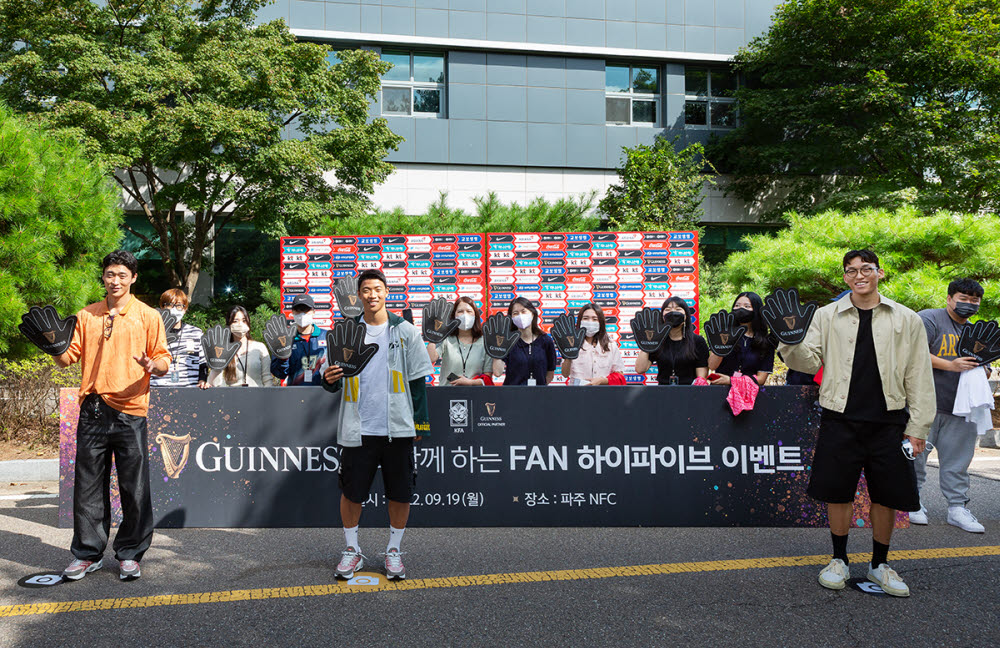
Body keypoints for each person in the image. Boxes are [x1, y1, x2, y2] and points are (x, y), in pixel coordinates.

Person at [778, 249, 935, 597]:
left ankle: (880, 564)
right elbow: (807, 362)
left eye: (866, 269)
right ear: (845, 277)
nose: (859, 275)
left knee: (887, 495)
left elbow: (919, 375)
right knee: (838, 492)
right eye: (851, 271)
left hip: (890, 421)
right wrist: (789, 341)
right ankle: (838, 560)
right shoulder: (826, 315)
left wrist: (919, 427)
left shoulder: (906, 319)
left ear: (880, 272)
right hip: (840, 417)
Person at [54, 250, 171, 582]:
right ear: (102, 277)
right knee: (88, 486)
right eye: (109, 274)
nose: (115, 280)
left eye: (122, 275)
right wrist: (52, 346)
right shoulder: (87, 315)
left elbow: (164, 358)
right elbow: (68, 358)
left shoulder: (148, 316)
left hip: (131, 410)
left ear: (133, 278)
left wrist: (153, 365)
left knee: (134, 488)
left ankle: (130, 554)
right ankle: (87, 554)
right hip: (92, 408)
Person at [322, 269, 433, 580]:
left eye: (377, 289)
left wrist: (419, 425)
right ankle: (352, 550)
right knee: (352, 492)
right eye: (366, 290)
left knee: (400, 493)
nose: (372, 295)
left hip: (397, 427)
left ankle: (394, 551)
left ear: (387, 293)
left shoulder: (406, 331)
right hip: (359, 428)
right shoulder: (347, 331)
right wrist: (328, 379)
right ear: (358, 295)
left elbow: (418, 382)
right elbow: (331, 381)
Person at [912, 278, 989, 532]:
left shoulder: (976, 331)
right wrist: (951, 364)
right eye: (963, 299)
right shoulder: (929, 319)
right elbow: (913, 353)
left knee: (958, 463)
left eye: (974, 301)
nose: (968, 304)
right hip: (926, 403)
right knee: (915, 458)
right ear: (949, 298)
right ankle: (912, 502)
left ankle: (957, 508)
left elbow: (984, 364)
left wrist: (982, 370)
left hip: (961, 407)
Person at [634, 298, 709, 385]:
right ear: (663, 316)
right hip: (663, 392)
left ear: (685, 316)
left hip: (690, 393)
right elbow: (640, 369)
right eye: (668, 309)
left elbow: (701, 378)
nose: (673, 312)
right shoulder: (658, 341)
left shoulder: (697, 341)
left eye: (678, 309)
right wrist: (646, 343)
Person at [708, 292, 774, 386]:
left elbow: (761, 379)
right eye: (737, 305)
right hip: (720, 391)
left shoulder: (766, 342)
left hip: (749, 394)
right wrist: (723, 343)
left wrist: (731, 381)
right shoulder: (723, 333)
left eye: (747, 306)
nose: (740, 309)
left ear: (756, 310)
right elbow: (712, 365)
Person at [426, 296, 493, 385]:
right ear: (454, 316)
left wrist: (470, 382)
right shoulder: (446, 338)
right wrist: (432, 338)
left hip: (474, 395)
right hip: (447, 394)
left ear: (475, 315)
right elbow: (430, 358)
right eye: (460, 312)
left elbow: (487, 377)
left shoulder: (485, 342)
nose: (465, 315)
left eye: (469, 311)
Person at [150, 288, 207, 389]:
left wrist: (203, 380)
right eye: (169, 305)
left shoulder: (195, 333)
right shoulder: (152, 332)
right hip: (157, 388)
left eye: (179, 305)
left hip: (189, 389)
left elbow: (203, 362)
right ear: (162, 307)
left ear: (185, 309)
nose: (174, 309)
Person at [494, 297, 557, 386]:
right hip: (512, 395)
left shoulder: (546, 341)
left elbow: (550, 373)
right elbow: (497, 372)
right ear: (511, 318)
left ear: (532, 313)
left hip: (538, 395)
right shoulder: (507, 341)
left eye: (524, 311)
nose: (520, 315)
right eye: (515, 313)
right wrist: (497, 350)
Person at [205, 306, 273, 387]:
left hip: (258, 396)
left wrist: (267, 397)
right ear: (229, 324)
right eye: (235, 321)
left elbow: (267, 378)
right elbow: (214, 383)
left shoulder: (259, 347)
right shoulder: (224, 349)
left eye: (244, 320)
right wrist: (217, 364)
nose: (240, 324)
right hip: (232, 397)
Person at [560, 303, 625, 385]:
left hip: (604, 394)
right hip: (577, 394)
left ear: (600, 322)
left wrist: (602, 381)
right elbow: (565, 374)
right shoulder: (571, 343)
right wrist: (568, 355)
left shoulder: (611, 346)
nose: (590, 322)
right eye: (586, 318)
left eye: (595, 319)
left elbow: (619, 375)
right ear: (580, 321)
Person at [270, 294, 328, 386]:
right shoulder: (285, 339)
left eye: (306, 310)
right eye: (298, 310)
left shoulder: (326, 336)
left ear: (313, 312)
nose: (302, 314)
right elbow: (279, 374)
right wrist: (283, 359)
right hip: (295, 394)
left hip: (322, 393)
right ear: (292, 312)